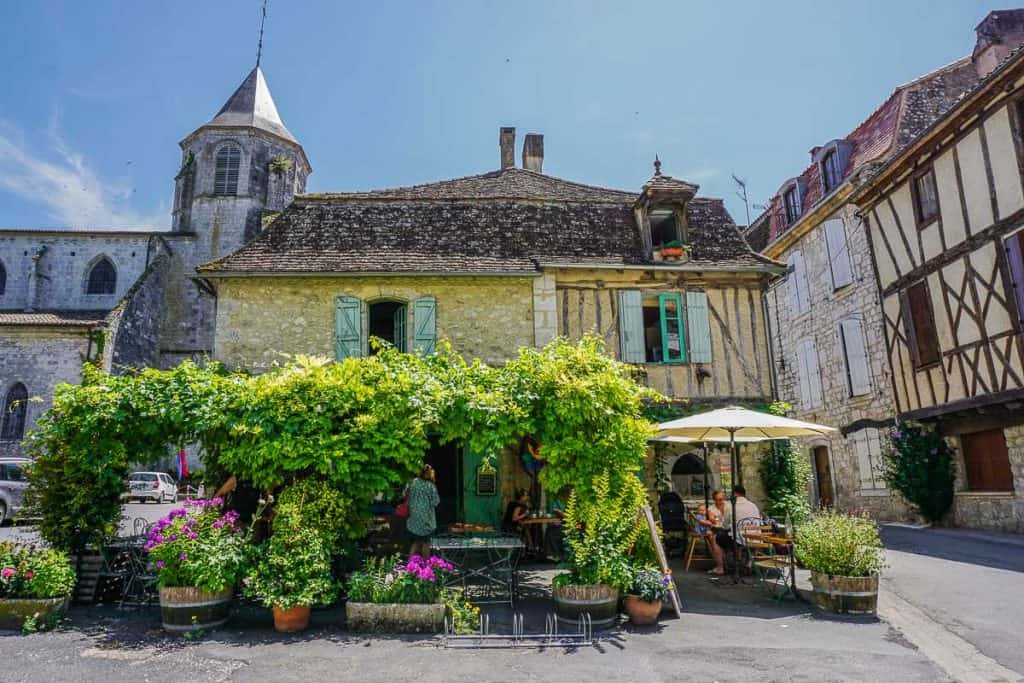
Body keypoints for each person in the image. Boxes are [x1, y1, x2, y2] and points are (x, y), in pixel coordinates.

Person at [405, 465, 441, 560]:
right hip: (426, 519)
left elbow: (404, 493)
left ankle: (410, 565)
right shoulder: (430, 486)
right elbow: (436, 501)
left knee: (416, 541)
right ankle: (426, 566)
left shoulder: (412, 482)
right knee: (426, 542)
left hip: (413, 517)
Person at [544, 495, 566, 562]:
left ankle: (555, 555)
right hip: (564, 524)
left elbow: (568, 517)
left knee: (552, 532)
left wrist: (559, 512)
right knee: (550, 529)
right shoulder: (560, 502)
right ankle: (552, 554)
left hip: (570, 526)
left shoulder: (571, 502)